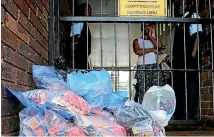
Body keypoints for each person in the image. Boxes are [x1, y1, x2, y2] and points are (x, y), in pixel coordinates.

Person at [173, 0, 202, 120]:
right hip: (180, 60)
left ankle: (189, 115)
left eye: (182, 4)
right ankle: (180, 116)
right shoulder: (180, 20)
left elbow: (197, 37)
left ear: (188, 5)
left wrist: (192, 56)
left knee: (190, 86)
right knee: (180, 86)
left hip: (189, 59)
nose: (180, 7)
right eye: (178, 5)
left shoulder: (193, 16)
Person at [133, 23, 165, 104]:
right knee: (143, 91)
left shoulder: (156, 39)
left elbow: (159, 46)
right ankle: (143, 112)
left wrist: (151, 36)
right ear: (141, 29)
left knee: (158, 89)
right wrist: (152, 50)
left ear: (152, 27)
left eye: (148, 26)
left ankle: (156, 111)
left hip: (154, 66)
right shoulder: (137, 41)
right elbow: (138, 51)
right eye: (144, 26)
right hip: (142, 67)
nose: (146, 28)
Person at [69, 3, 92, 69]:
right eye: (88, 10)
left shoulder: (83, 22)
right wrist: (73, 61)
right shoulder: (79, 22)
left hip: (83, 57)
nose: (90, 12)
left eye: (90, 10)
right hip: (79, 57)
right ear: (81, 10)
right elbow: (73, 40)